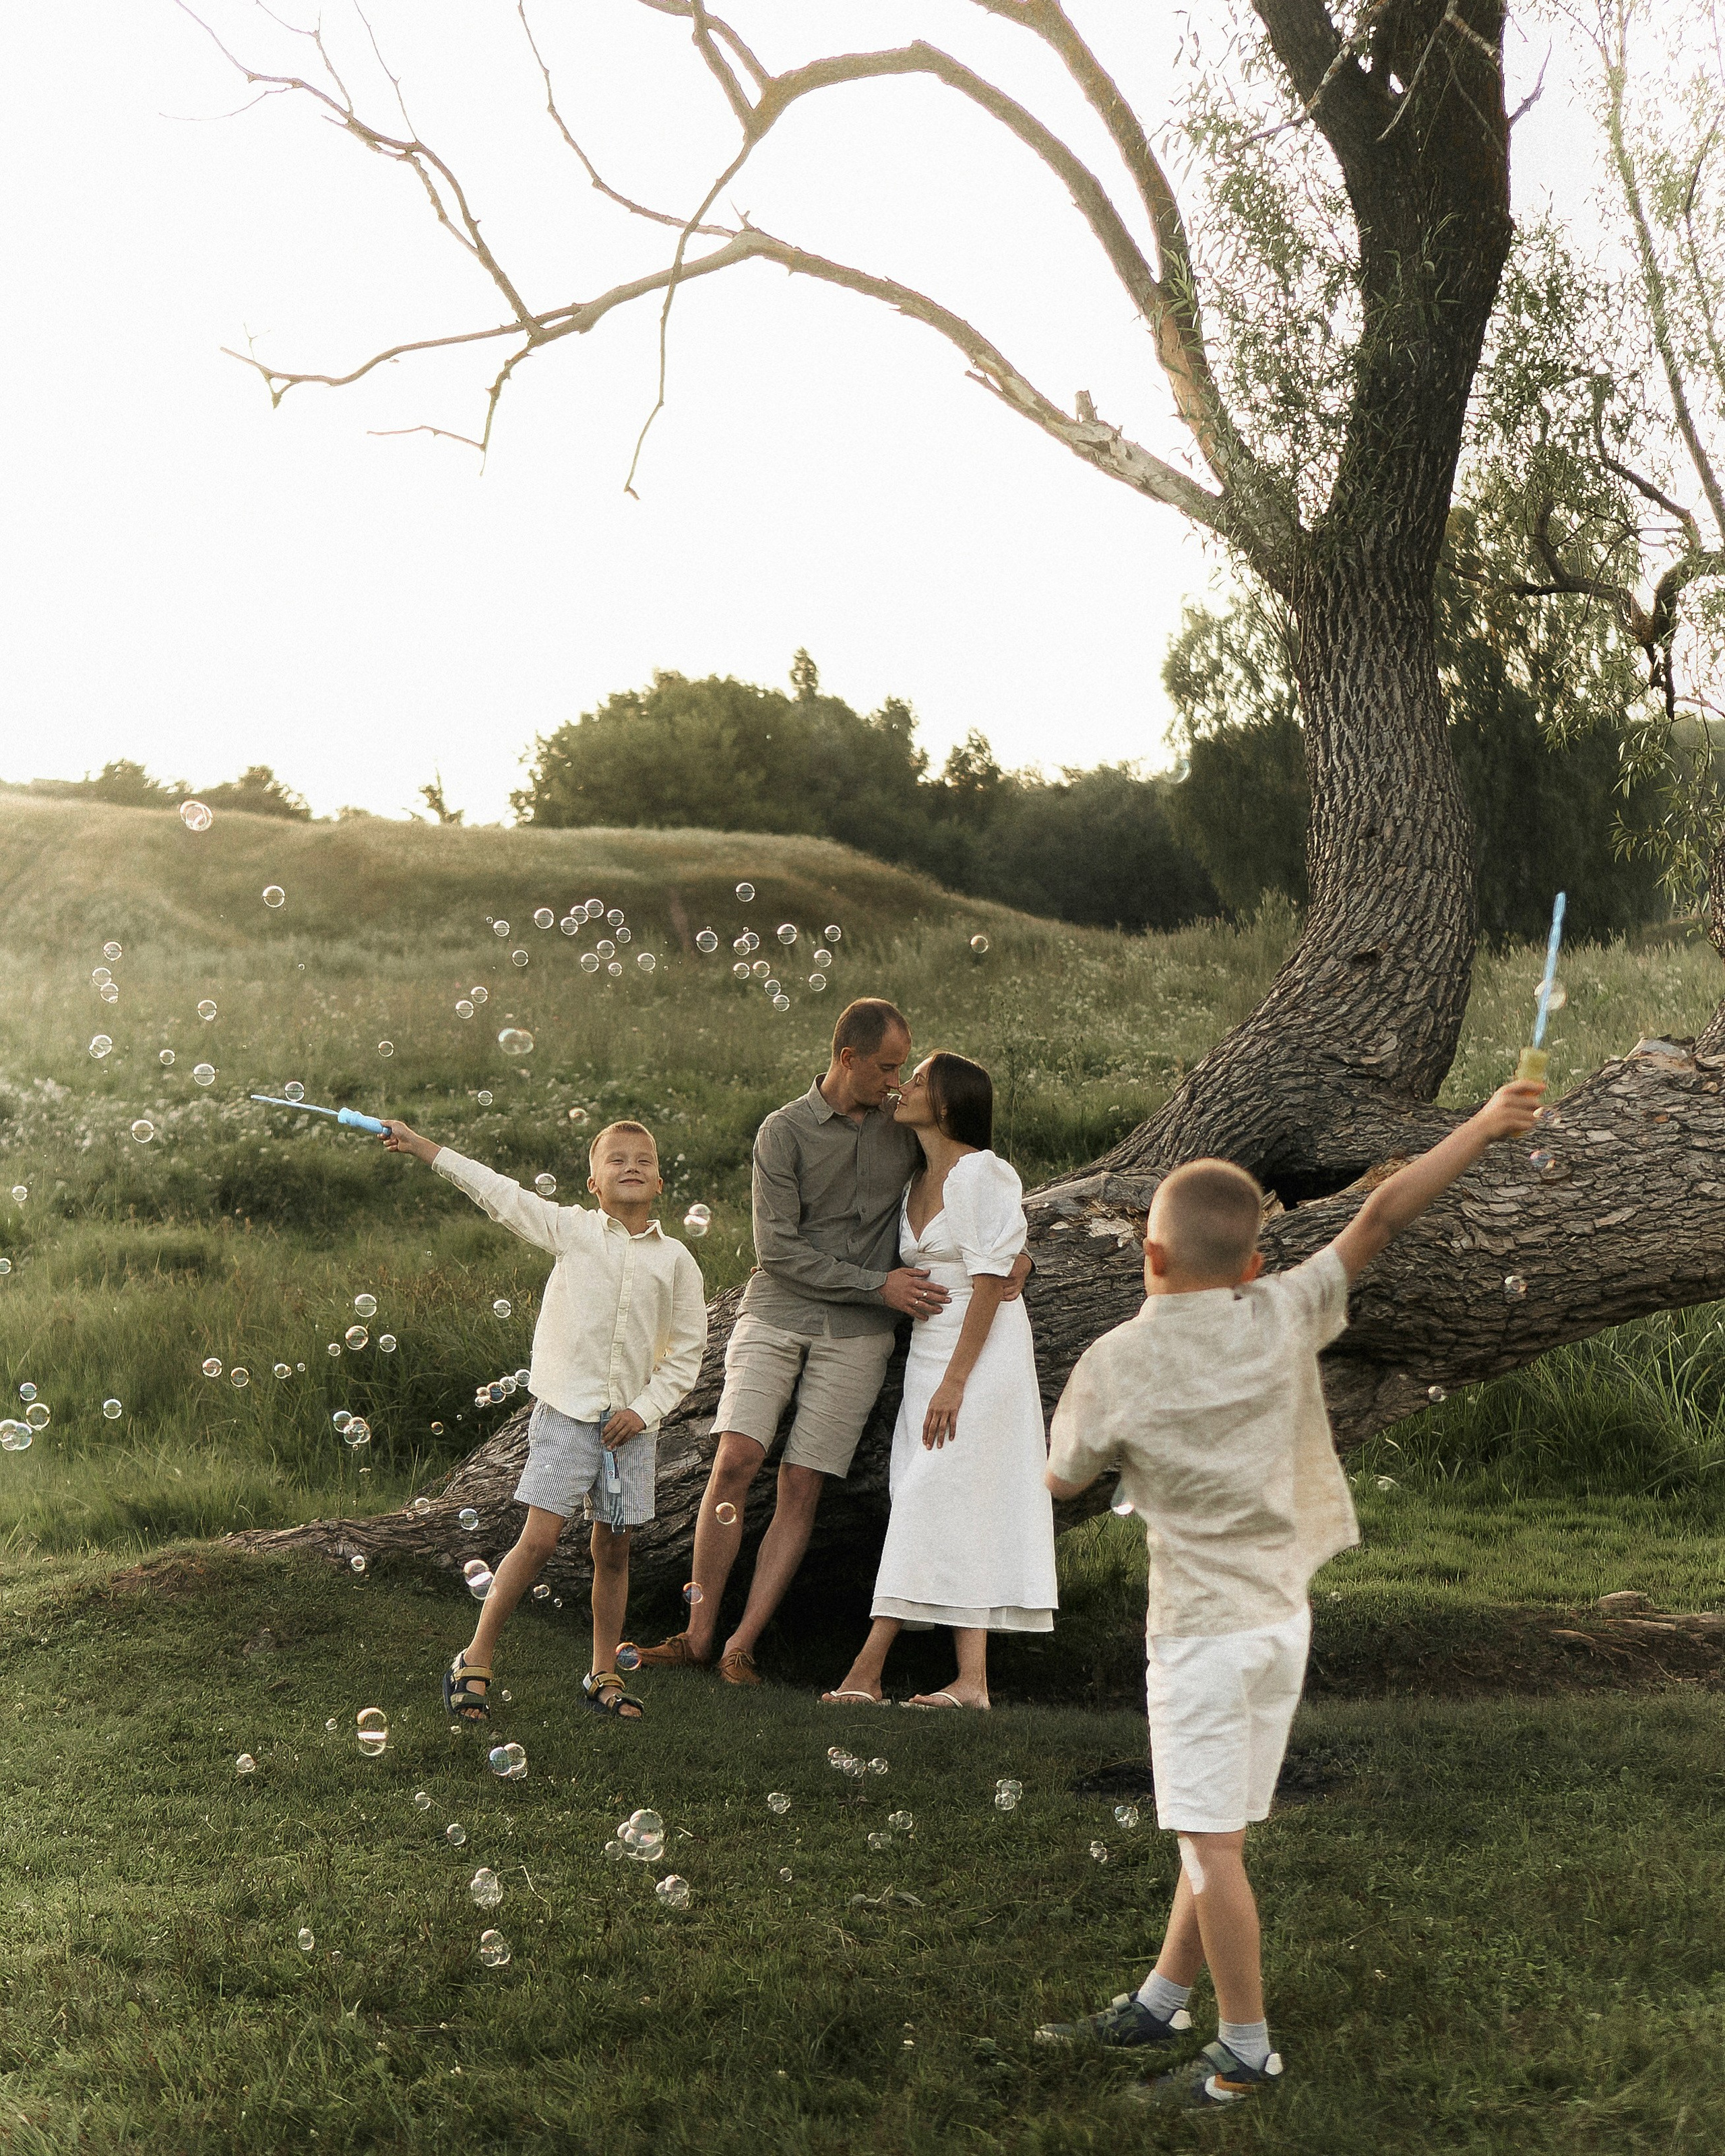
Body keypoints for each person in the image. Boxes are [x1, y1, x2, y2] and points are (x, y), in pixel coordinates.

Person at [1035, 1078, 1545, 2110]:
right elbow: (1383, 1212)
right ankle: (1160, 1999)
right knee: (1210, 1822)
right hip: (1281, 1626)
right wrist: (1485, 1125)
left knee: (1209, 1845)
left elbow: (1060, 1482)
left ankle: (1244, 2050)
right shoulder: (1284, 1310)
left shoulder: (1114, 1361)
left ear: (1151, 1255)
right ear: (1256, 1264)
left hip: (1200, 1639)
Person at [636, 998, 1031, 1686]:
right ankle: (697, 1633)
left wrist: (1015, 1257)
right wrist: (876, 1284)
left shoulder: (902, 1127)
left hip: (857, 1336)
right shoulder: (782, 1131)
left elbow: (971, 1183)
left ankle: (741, 1644)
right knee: (737, 1456)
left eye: (904, 1070)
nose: (896, 1081)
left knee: (803, 1480)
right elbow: (778, 1250)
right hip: (779, 1312)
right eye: (886, 1067)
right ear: (847, 1058)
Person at [378, 1114, 706, 1722]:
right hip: (567, 1416)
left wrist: (643, 1411)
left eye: (643, 1160)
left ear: (660, 1182)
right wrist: (422, 1144)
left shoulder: (678, 1261)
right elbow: (498, 1192)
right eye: (617, 1159)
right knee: (541, 1539)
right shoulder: (571, 1231)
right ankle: (473, 1658)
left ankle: (603, 1672)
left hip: (632, 1429)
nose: (631, 1167)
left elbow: (688, 1352)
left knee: (614, 1549)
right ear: (592, 1183)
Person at [820, 1051, 1056, 1709]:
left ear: (949, 1103)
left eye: (919, 1079)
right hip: (931, 1353)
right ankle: (973, 1683)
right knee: (945, 1500)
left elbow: (987, 1280)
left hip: (982, 1358)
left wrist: (956, 1382)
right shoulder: (916, 1178)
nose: (904, 1084)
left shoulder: (982, 1171)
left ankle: (866, 1669)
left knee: (930, 1492)